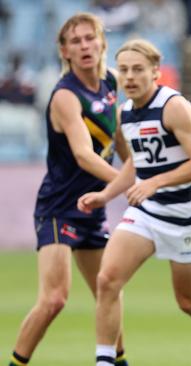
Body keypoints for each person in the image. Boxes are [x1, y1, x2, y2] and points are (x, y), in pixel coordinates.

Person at [77, 39, 191, 366]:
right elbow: (135, 165)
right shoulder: (124, 113)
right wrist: (106, 195)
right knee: (107, 279)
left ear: (155, 72)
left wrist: (154, 183)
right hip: (147, 214)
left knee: (188, 300)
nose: (129, 77)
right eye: (123, 70)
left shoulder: (173, 106)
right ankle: (105, 361)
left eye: (138, 69)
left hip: (185, 219)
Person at [7, 13, 130, 366]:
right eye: (75, 41)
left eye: (90, 38)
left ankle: (118, 361)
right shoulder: (65, 96)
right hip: (59, 208)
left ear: (102, 43)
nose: (84, 46)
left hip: (93, 208)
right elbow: (83, 155)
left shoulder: (110, 82)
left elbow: (118, 137)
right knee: (54, 299)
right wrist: (125, 182)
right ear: (65, 52)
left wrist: (140, 166)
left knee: (108, 290)